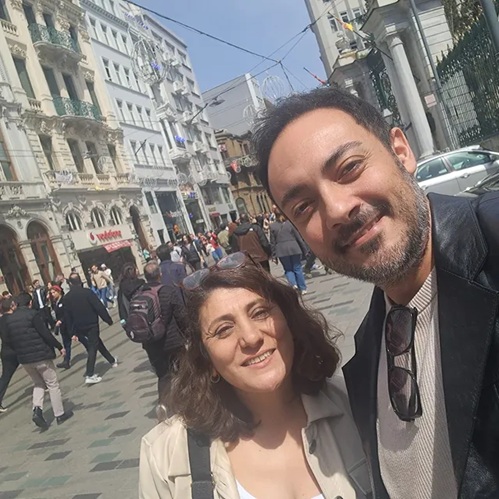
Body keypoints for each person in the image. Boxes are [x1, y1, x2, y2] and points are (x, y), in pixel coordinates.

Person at [253, 86, 499, 497]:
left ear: (400, 151)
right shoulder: (368, 352)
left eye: (349, 168)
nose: (336, 210)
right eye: (304, 207)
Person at [139, 253, 370, 498]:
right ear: (207, 360)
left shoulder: (360, 405)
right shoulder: (163, 456)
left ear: (290, 322)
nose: (251, 337)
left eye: (260, 313)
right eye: (223, 329)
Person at [2, 294, 73, 428]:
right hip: (41, 356)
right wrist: (59, 346)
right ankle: (59, 414)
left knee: (38, 384)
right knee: (52, 384)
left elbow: (9, 340)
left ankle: (37, 410)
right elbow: (45, 334)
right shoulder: (32, 315)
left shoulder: (9, 320)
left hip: (25, 359)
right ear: (30, 303)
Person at [139, 261, 186, 398]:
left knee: (164, 376)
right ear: (160, 274)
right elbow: (181, 316)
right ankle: (187, 400)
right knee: (184, 371)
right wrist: (187, 335)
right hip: (173, 342)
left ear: (146, 276)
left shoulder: (139, 294)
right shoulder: (167, 291)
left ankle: (164, 404)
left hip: (152, 344)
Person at [64, 273, 117, 385]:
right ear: (80, 281)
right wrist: (108, 319)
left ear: (70, 283)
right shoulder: (87, 292)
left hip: (79, 327)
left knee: (97, 342)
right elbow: (99, 307)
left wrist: (71, 332)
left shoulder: (67, 297)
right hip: (91, 324)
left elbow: (67, 317)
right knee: (93, 346)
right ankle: (90, 374)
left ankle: (111, 360)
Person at [270, 208, 308, 294]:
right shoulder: (290, 223)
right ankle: (303, 288)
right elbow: (298, 238)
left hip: (281, 250)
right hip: (294, 248)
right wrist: (304, 249)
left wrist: (274, 255)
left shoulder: (272, 226)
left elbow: (272, 242)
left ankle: (293, 284)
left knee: (288, 269)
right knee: (297, 268)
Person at [0, 301, 19, 413]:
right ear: (12, 306)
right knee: (35, 365)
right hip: (17, 349)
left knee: (5, 376)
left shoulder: (1, 320)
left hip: (6, 351)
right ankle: (44, 385)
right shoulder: (13, 319)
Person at [50, 285, 72, 370]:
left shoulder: (64, 300)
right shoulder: (55, 302)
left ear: (59, 291)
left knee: (81, 338)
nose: (52, 294)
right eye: (51, 293)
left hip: (68, 324)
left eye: (54, 292)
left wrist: (61, 320)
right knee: (66, 343)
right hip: (62, 326)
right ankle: (66, 361)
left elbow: (67, 313)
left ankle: (91, 349)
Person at [117, 263, 145, 328]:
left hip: (132, 321)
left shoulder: (121, 289)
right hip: (146, 317)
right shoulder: (142, 285)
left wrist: (124, 324)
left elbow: (121, 309)